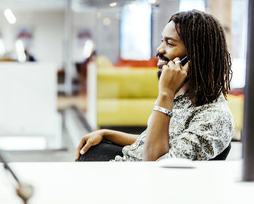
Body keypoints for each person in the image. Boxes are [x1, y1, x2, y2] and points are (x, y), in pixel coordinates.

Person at [75, 10, 234, 162]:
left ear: (195, 56)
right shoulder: (182, 98)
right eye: (162, 40)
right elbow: (154, 140)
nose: (159, 49)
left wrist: (166, 94)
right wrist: (107, 134)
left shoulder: (214, 117)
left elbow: (153, 166)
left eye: (170, 43)